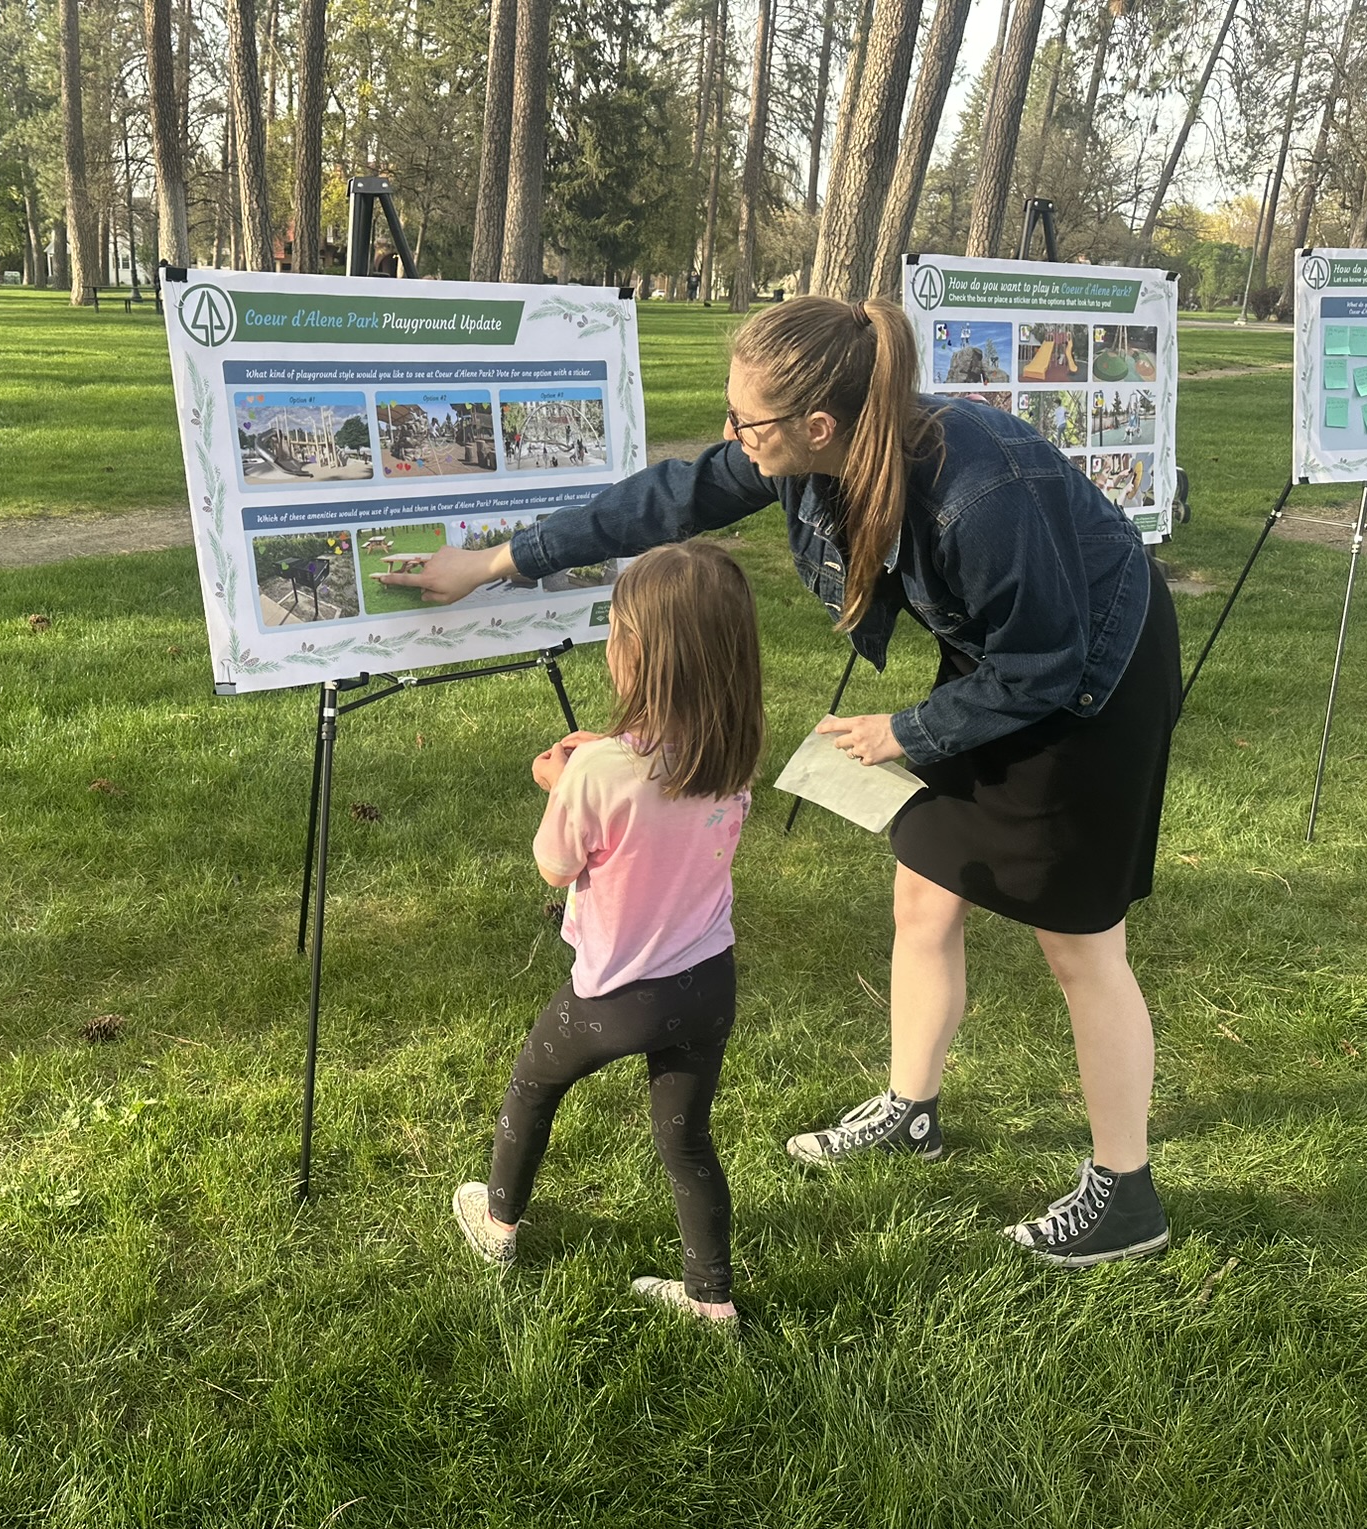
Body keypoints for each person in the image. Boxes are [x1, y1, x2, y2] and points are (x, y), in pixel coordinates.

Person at [392, 296, 1182, 1268]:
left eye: (745, 421)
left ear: (816, 425)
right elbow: (666, 500)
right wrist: (494, 563)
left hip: (1091, 676)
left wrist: (904, 731)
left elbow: (1045, 663)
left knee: (1078, 942)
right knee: (922, 894)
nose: (731, 437)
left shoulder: (979, 491)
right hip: (997, 663)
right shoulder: (812, 451)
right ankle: (911, 1111)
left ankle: (1125, 1194)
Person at [450, 541, 764, 1322]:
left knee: (534, 1085)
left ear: (636, 655)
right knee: (686, 1140)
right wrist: (603, 759)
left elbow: (555, 867)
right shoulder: (734, 749)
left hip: (615, 994)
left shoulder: (594, 775)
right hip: (707, 983)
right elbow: (660, 790)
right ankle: (711, 1301)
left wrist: (559, 783)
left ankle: (497, 1226)